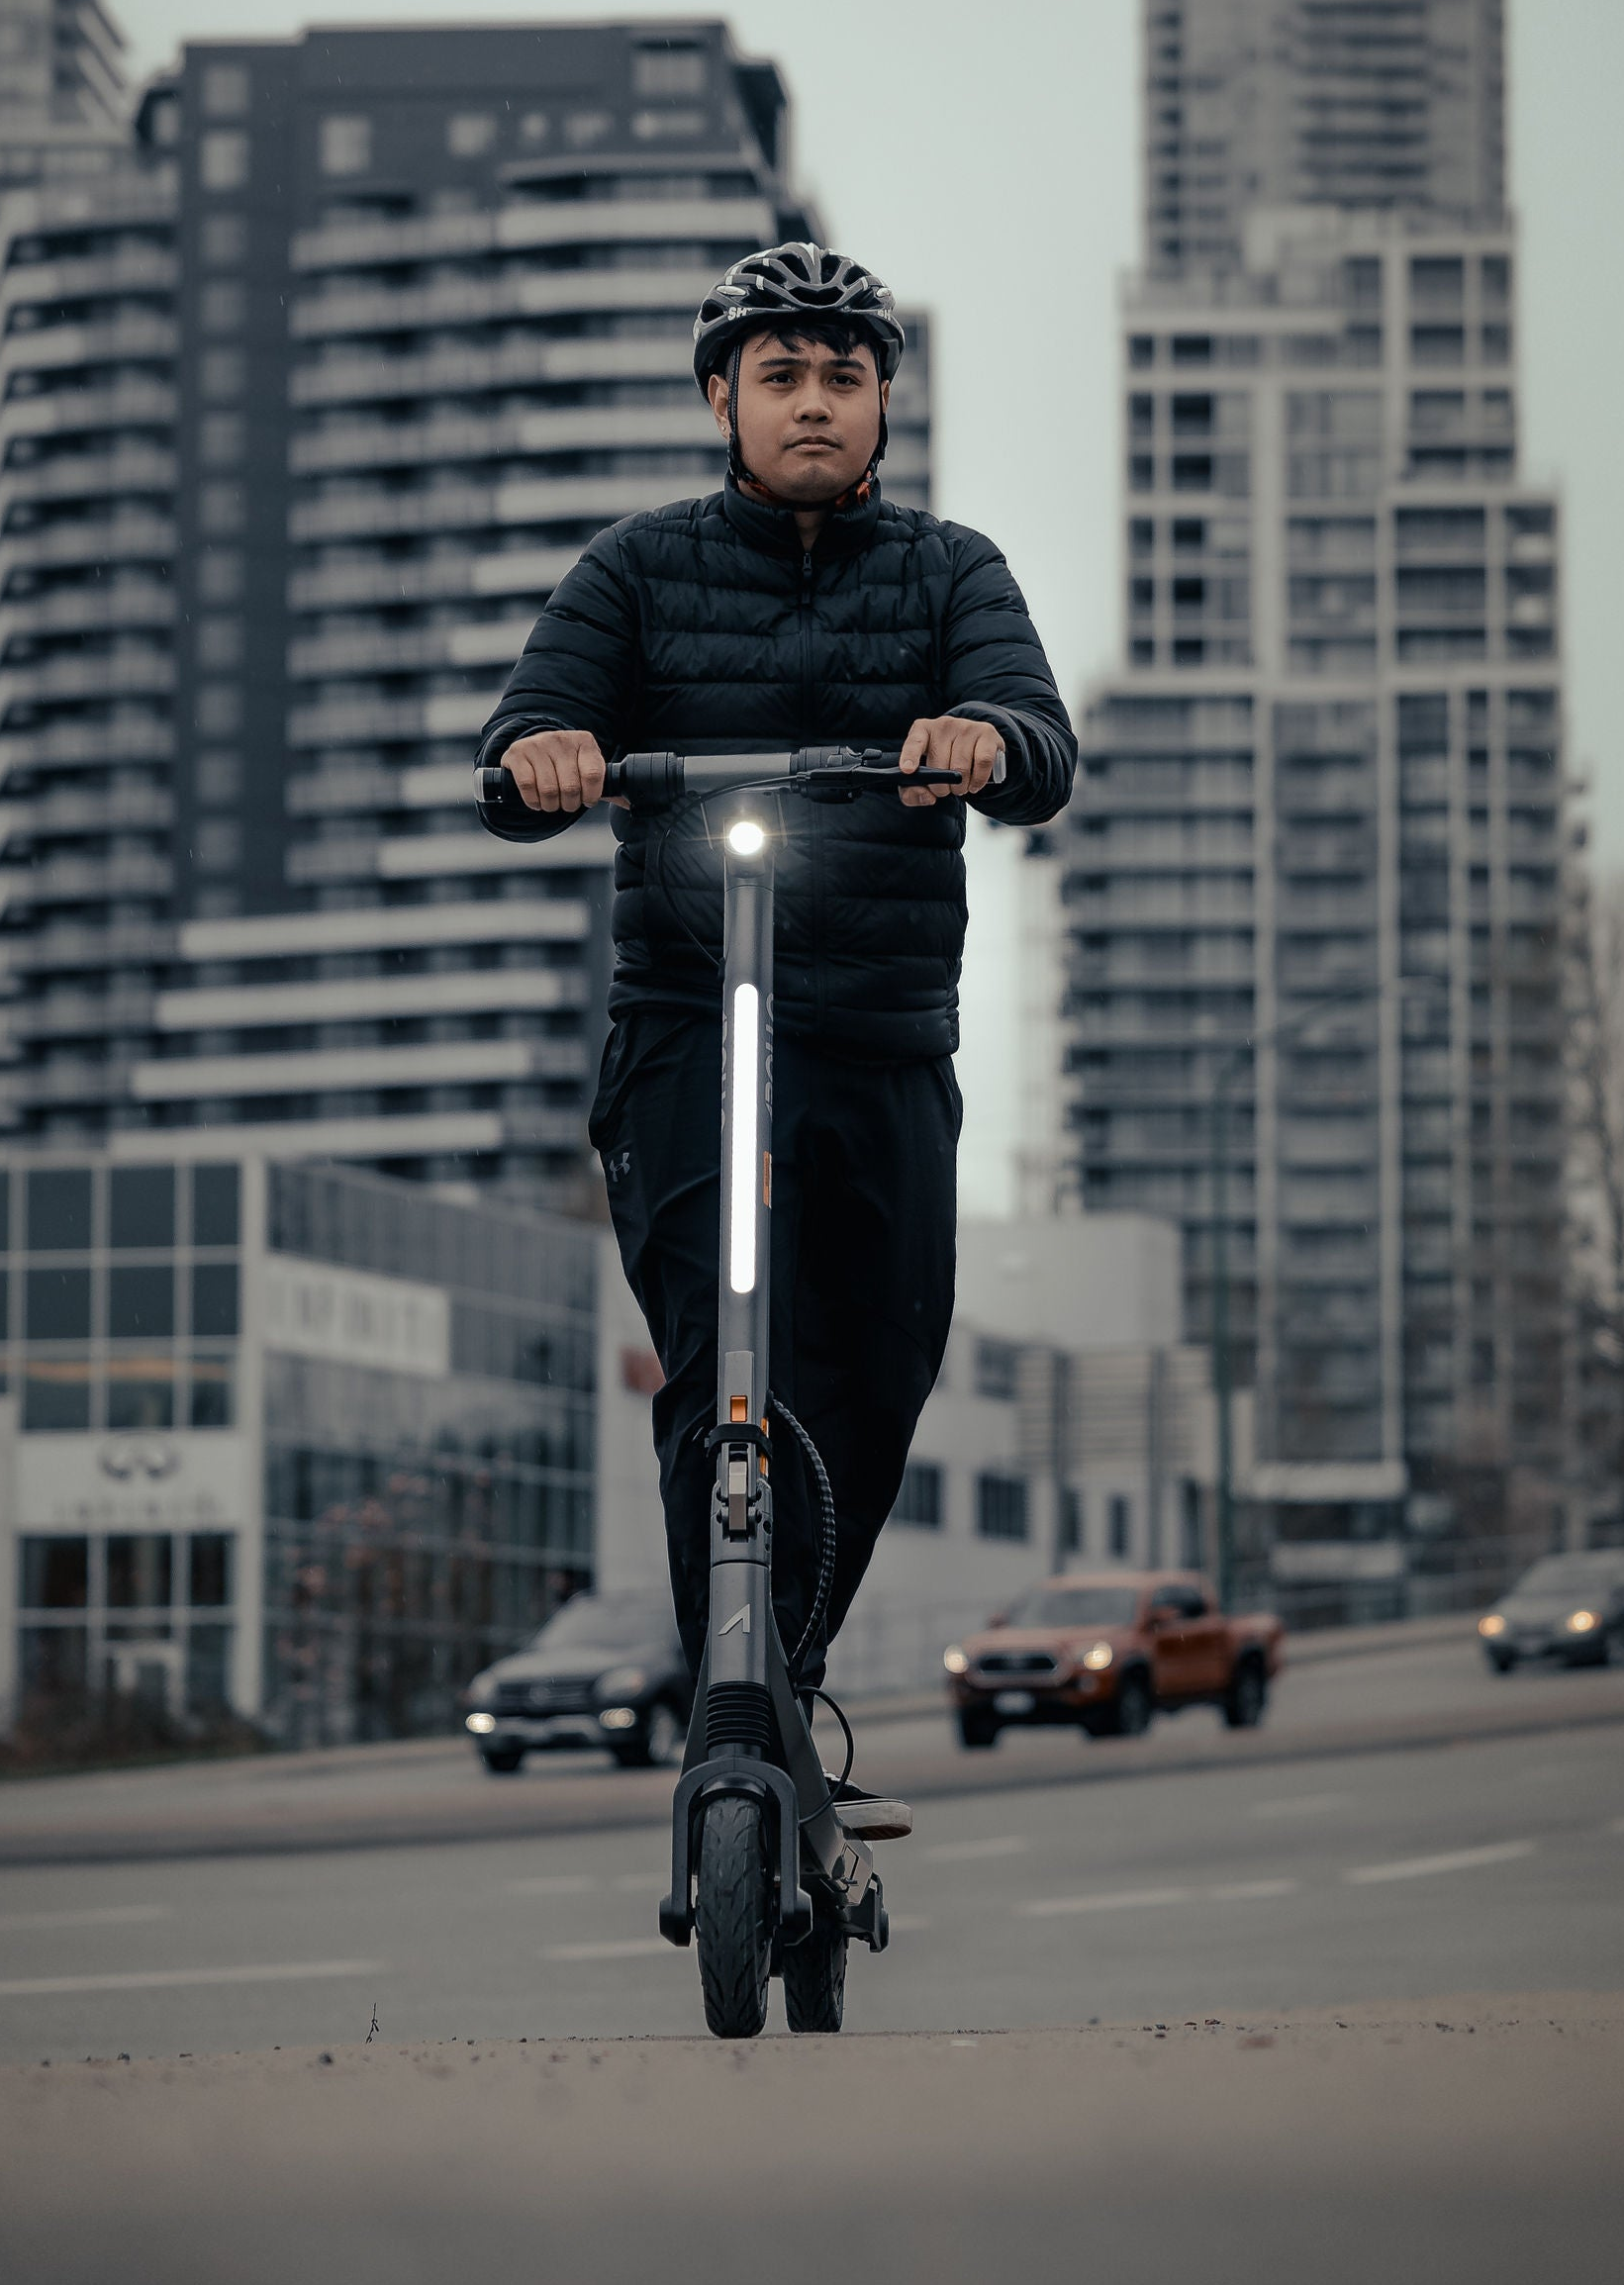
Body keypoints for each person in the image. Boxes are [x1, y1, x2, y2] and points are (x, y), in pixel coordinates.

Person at [475, 242, 1076, 1837]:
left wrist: (985, 736)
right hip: (690, 1030)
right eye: (782, 375)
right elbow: (527, 726)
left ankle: (781, 1665)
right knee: (719, 1372)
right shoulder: (635, 570)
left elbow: (1040, 743)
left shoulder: (952, 573)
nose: (814, 402)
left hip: (877, 1040)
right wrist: (545, 752)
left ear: (883, 402)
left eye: (845, 376)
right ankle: (725, 1701)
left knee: (877, 1365)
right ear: (722, 398)